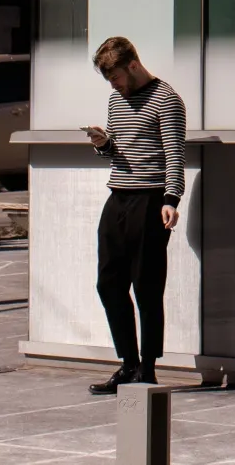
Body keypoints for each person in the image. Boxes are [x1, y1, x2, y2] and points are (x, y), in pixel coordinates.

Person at [82, 35, 186, 395]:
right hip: (118, 196)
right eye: (108, 79)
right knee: (108, 283)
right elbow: (119, 151)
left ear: (133, 65)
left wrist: (171, 199)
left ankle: (148, 368)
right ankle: (128, 363)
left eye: (115, 77)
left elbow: (175, 155)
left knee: (146, 285)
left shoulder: (167, 100)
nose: (113, 85)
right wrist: (103, 144)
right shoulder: (116, 100)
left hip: (151, 199)